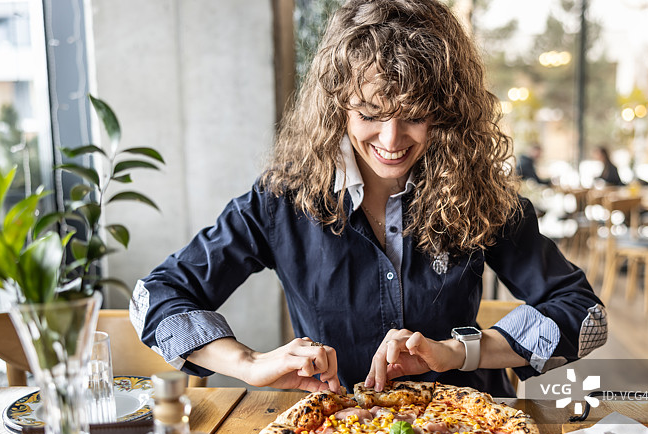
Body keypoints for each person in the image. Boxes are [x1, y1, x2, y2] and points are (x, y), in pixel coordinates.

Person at [130, 0, 607, 398]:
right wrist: (249, 363)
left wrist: (460, 351)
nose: (392, 139)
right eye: (371, 113)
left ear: (445, 112)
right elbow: (155, 299)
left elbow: (584, 314)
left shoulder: (478, 192)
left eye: (414, 115)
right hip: (336, 432)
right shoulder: (281, 200)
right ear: (338, 106)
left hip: (470, 432)